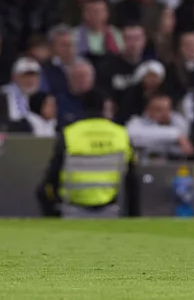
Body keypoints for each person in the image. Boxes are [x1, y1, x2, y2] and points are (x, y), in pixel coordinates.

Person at [37, 90, 133, 218]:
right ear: (104, 107)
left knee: (43, 190)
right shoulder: (121, 134)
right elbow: (131, 177)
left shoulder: (69, 133)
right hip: (110, 204)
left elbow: (53, 174)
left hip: (72, 205)